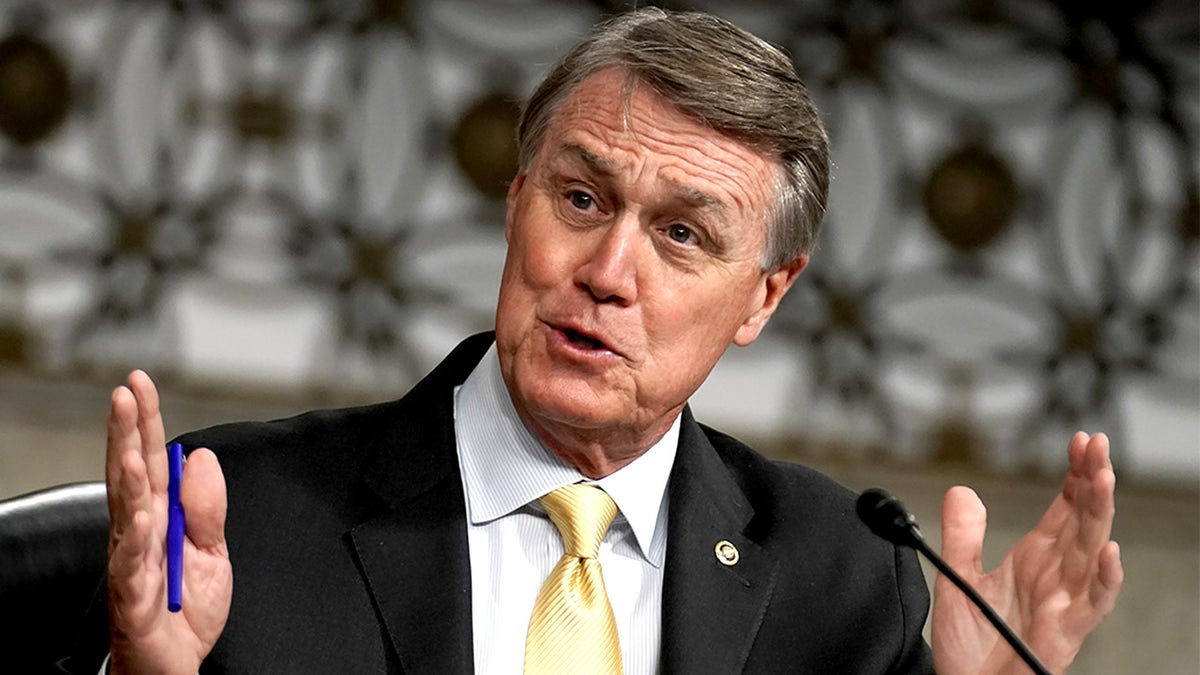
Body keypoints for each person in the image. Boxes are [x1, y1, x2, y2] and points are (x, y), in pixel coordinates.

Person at [79, 8, 1123, 674]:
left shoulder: (846, 582)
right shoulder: (240, 517)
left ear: (765, 297)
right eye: (581, 198)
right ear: (515, 203)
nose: (608, 271)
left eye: (681, 234)